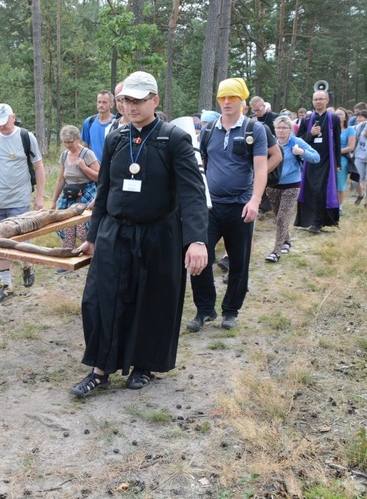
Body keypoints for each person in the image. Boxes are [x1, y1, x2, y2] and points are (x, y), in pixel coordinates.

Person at [70, 71, 208, 396]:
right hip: (114, 233)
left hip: (159, 234)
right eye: (126, 101)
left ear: (155, 100)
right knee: (99, 299)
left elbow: (192, 194)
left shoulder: (173, 139)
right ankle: (100, 370)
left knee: (153, 300)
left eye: (138, 100)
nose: (130, 107)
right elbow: (104, 190)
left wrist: (197, 240)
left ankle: (144, 365)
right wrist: (91, 236)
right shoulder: (115, 138)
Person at [187, 77, 268, 332]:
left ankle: (231, 311)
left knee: (238, 261)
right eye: (222, 98)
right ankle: (205, 309)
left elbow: (261, 168)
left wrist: (255, 201)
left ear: (242, 101)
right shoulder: (209, 129)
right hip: (210, 208)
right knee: (198, 258)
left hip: (241, 207)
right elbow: (200, 167)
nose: (226, 102)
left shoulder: (254, 130)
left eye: (232, 97)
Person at [0, 103, 45, 302]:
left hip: (20, 199)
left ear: (13, 117)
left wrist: (40, 197)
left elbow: (39, 167)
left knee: (20, 240)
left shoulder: (26, 137)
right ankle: (6, 285)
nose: (1, 127)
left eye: (4, 123)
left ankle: (26, 265)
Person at [264, 116, 320, 262]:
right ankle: (287, 241)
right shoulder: (271, 143)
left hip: (292, 185)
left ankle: (276, 252)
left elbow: (316, 157)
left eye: (284, 128)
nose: (281, 131)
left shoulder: (296, 142)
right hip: (272, 185)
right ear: (274, 129)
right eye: (278, 128)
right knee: (278, 217)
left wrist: (302, 153)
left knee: (283, 217)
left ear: (290, 129)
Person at [50, 125, 99, 271]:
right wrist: (53, 201)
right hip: (69, 195)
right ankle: (67, 260)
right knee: (67, 228)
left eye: (70, 142)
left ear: (78, 139)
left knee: (83, 230)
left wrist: (84, 167)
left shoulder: (87, 154)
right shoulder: (64, 155)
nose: (68, 145)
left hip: (86, 194)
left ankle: (95, 256)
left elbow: (100, 176)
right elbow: (61, 180)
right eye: (65, 142)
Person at [295, 90, 341, 232]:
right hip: (310, 161)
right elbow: (299, 140)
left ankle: (318, 221)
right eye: (316, 99)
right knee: (310, 189)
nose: (318, 102)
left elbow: (337, 142)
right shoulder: (307, 119)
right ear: (312, 101)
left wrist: (338, 163)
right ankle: (309, 219)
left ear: (327, 100)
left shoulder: (333, 118)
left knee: (322, 190)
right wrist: (311, 134)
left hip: (327, 161)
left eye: (321, 99)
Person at [81, 91, 115, 162]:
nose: (101, 105)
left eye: (104, 102)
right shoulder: (89, 122)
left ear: (111, 104)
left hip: (111, 166)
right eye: (99, 102)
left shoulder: (116, 123)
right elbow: (85, 146)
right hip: (93, 166)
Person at [335, 107, 356, 212]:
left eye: (341, 114)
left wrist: (336, 152)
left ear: (345, 117)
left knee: (340, 184)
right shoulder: (331, 128)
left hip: (342, 158)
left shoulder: (350, 129)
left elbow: (351, 147)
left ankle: (339, 207)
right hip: (329, 159)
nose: (338, 116)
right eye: (336, 114)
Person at [354, 111, 367, 206]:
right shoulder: (362, 126)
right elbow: (352, 134)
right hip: (359, 155)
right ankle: (361, 194)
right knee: (355, 180)